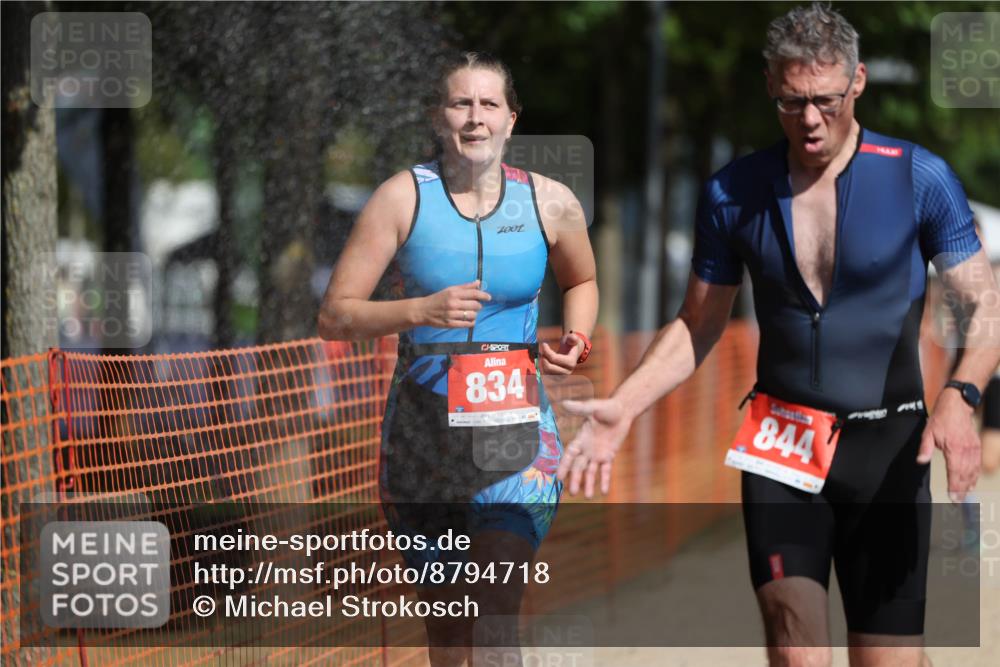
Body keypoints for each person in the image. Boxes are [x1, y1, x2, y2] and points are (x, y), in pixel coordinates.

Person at [558, 4, 1000, 666]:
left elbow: (986, 304)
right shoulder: (733, 192)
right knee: (797, 653)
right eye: (794, 102)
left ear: (858, 82)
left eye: (825, 99)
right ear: (771, 83)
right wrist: (625, 403)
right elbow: (698, 322)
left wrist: (961, 394)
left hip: (888, 449)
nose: (811, 120)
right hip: (781, 445)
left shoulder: (918, 176)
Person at [318, 52, 598, 666]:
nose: (475, 118)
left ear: (511, 120)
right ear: (436, 117)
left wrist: (576, 339)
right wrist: (419, 310)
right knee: (450, 635)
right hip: (422, 441)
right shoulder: (400, 198)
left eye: (489, 104)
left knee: (495, 613)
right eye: (460, 103)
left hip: (513, 437)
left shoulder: (551, 203)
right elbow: (335, 314)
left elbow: (582, 281)